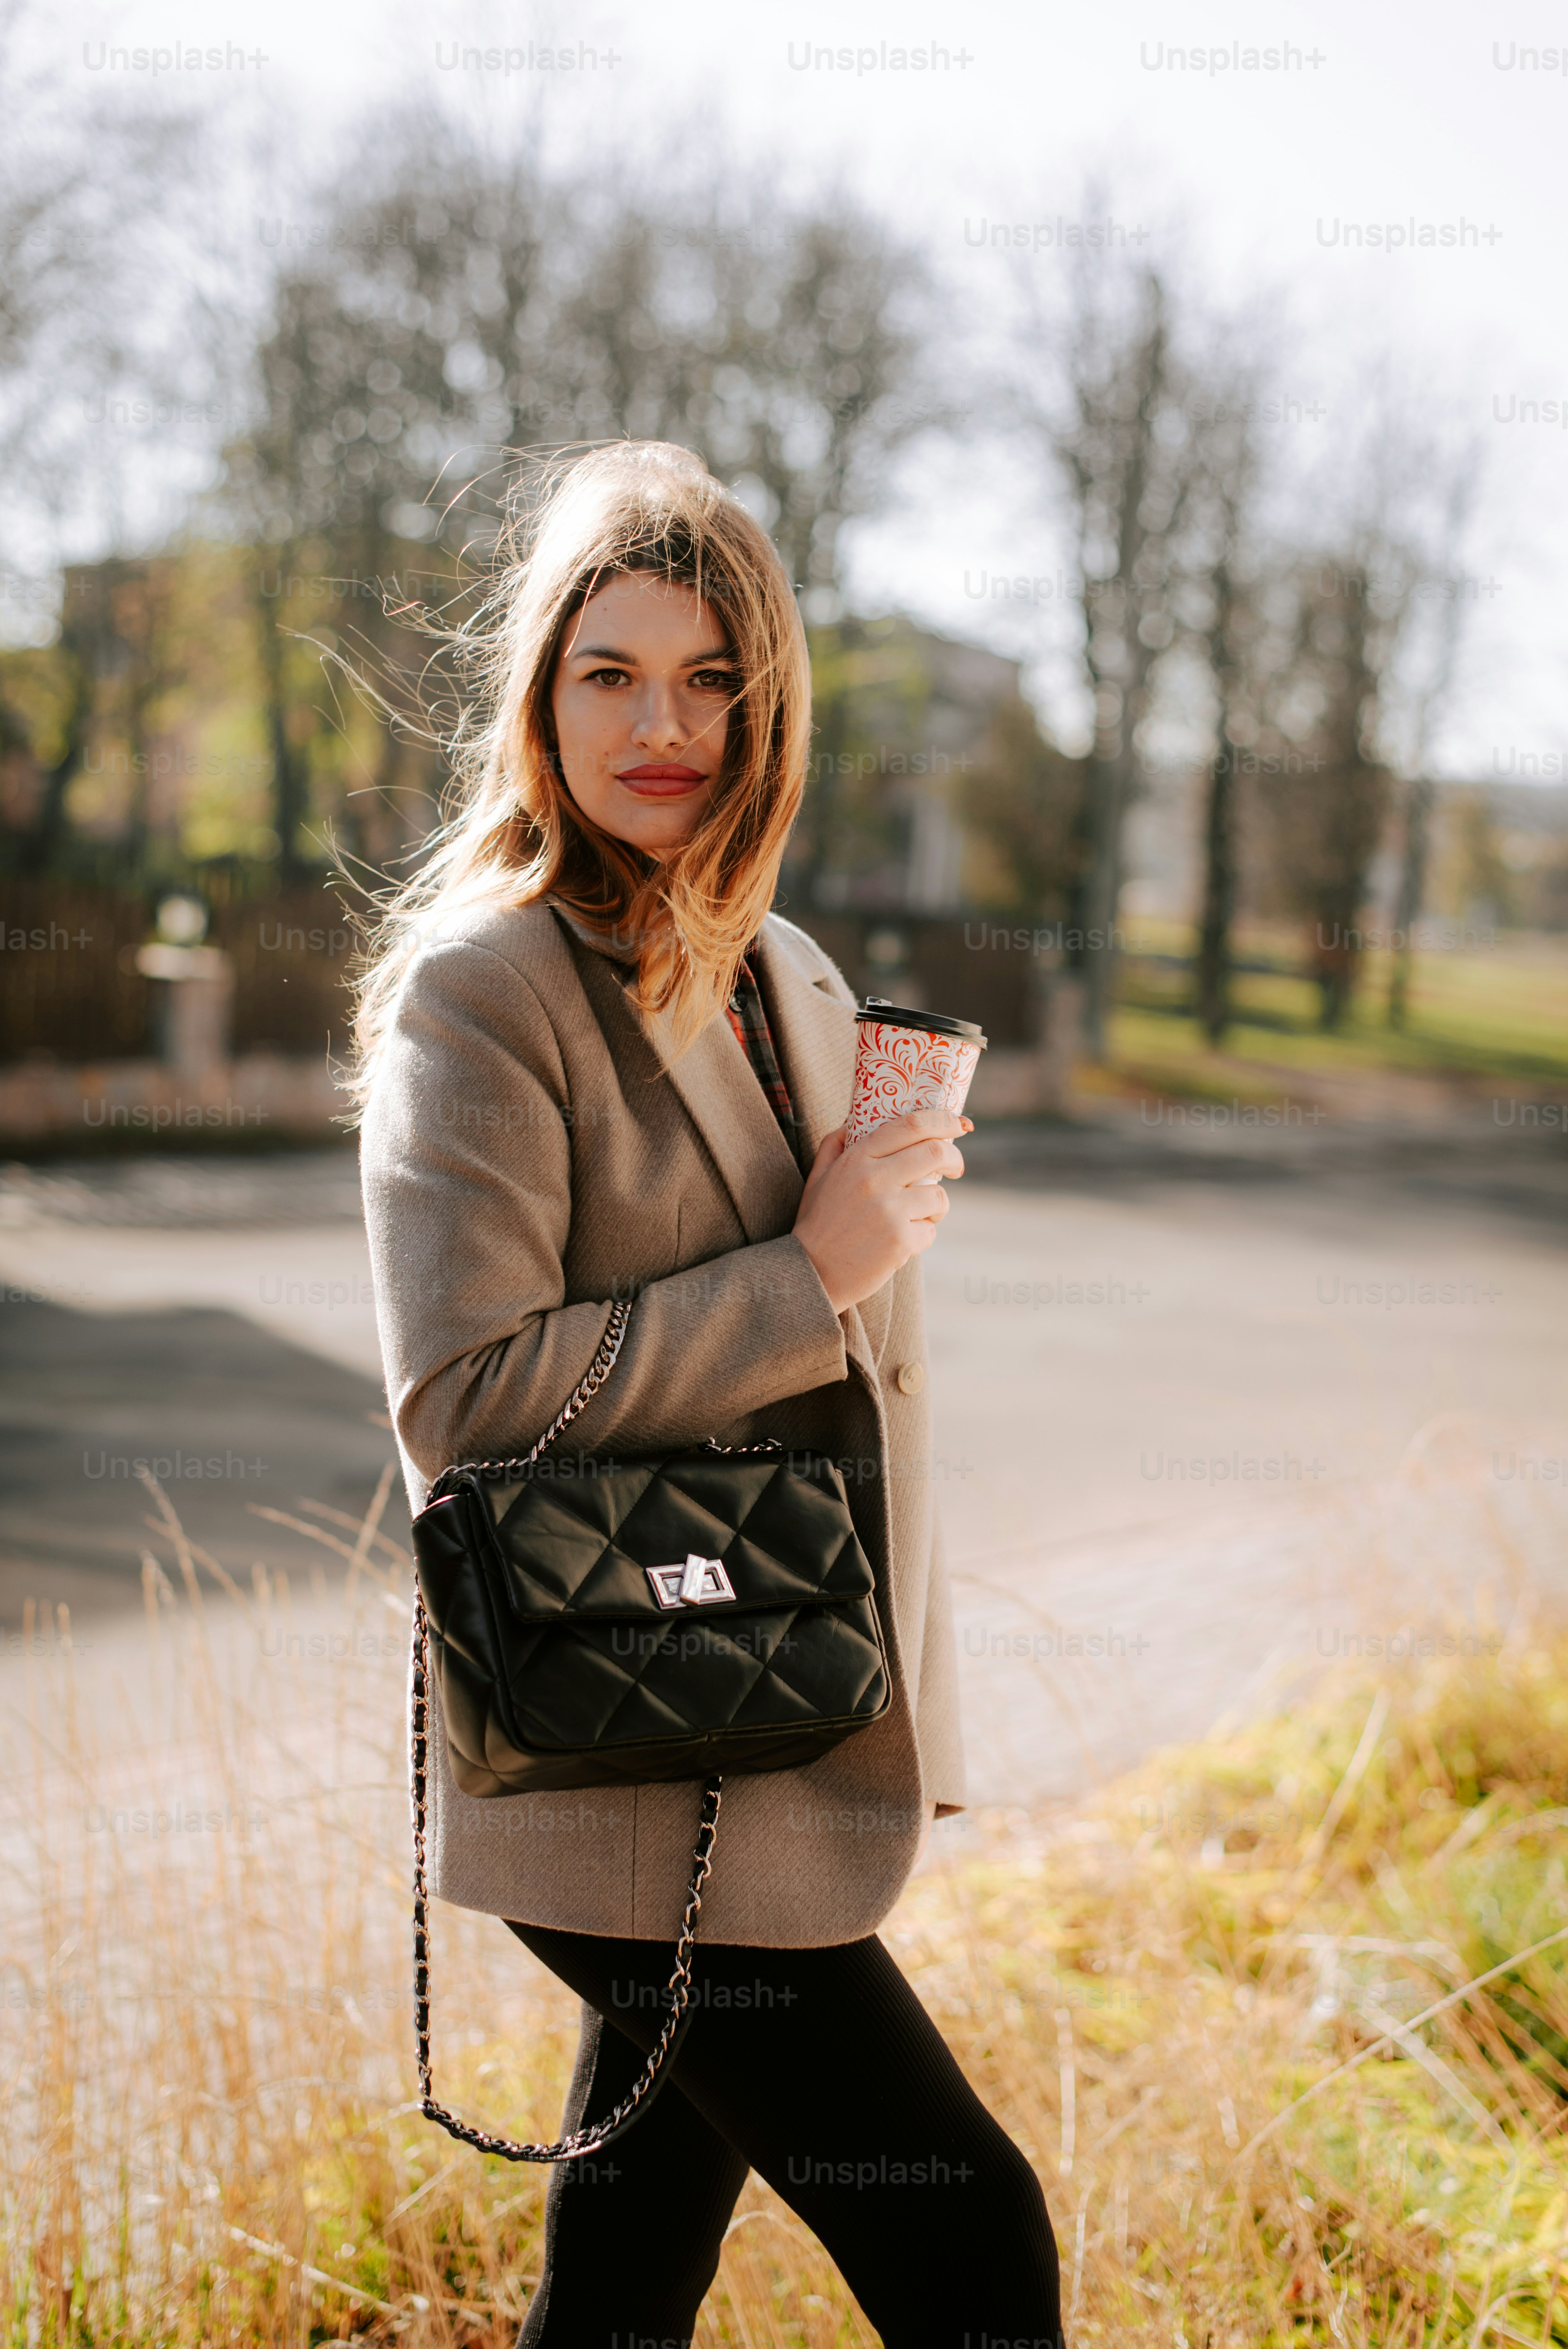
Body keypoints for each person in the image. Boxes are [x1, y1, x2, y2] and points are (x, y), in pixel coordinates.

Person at [356, 441, 1061, 2348]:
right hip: (619, 1727)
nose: (661, 726)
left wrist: (863, 1237)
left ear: (771, 709)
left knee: (628, 2276)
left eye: (709, 679)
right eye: (610, 674)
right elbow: (468, 1400)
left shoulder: (794, 972)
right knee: (973, 2239)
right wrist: (809, 1272)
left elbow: (866, 1383)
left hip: (776, 1711)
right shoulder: (487, 991)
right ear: (542, 697)